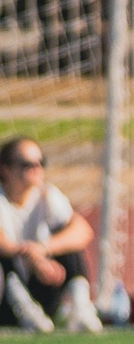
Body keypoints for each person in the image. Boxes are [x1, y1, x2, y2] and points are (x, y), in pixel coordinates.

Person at [0, 137, 103, 333]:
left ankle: (81, 309)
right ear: (5, 169)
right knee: (5, 260)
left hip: (42, 285)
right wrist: (32, 255)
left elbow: (82, 231)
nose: (36, 168)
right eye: (26, 164)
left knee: (68, 243)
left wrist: (44, 248)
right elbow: (3, 243)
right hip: (7, 296)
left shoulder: (47, 196)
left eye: (41, 163)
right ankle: (25, 310)